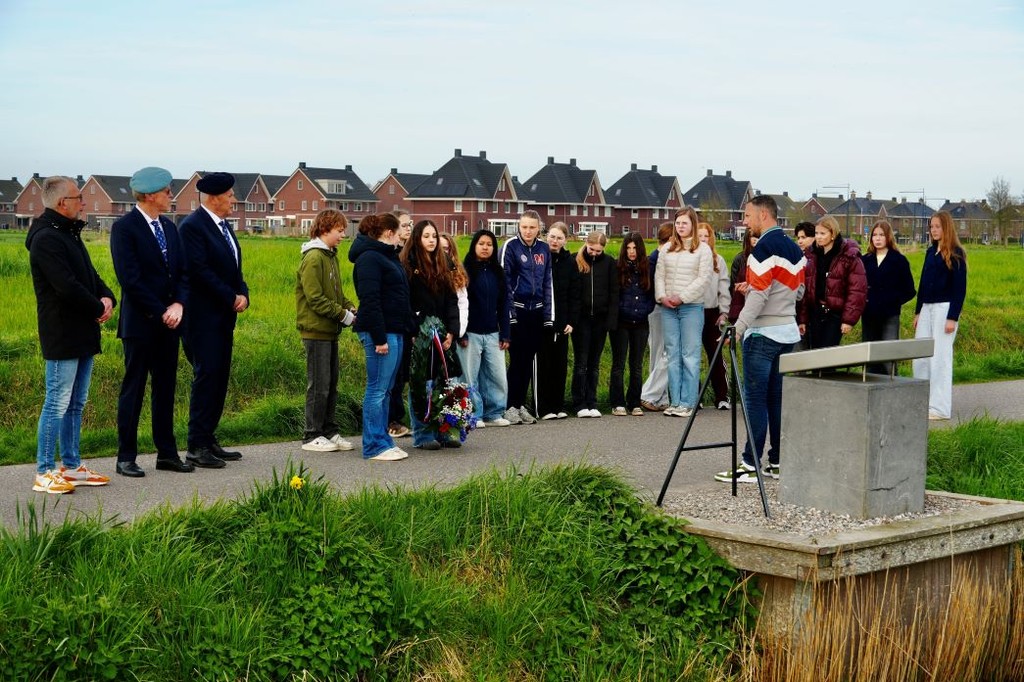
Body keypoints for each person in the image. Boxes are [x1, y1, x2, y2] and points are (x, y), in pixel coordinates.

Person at [26, 176, 115, 493]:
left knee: (76, 404)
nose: (84, 202)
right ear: (62, 203)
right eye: (79, 197)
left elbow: (91, 276)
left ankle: (72, 466)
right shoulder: (46, 239)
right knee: (57, 403)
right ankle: (44, 471)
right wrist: (97, 307)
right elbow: (65, 286)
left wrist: (107, 298)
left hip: (83, 332)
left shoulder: (69, 234)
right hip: (62, 332)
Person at [715, 195, 805, 484]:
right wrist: (753, 287)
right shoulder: (795, 249)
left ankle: (749, 464)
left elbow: (762, 296)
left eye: (748, 216)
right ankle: (777, 462)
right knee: (776, 399)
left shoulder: (762, 249)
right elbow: (798, 292)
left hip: (763, 334)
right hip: (787, 332)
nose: (745, 221)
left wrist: (738, 327)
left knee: (755, 400)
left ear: (764, 216)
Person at [109, 167, 191, 477]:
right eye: (167, 191)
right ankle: (125, 456)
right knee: (134, 389)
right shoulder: (125, 229)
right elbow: (130, 280)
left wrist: (179, 303)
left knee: (166, 388)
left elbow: (183, 272)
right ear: (149, 195)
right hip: (142, 323)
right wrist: (162, 311)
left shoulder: (170, 228)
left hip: (170, 322)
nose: (171, 195)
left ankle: (167, 453)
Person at [179, 172, 249, 469]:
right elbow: (198, 270)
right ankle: (196, 445)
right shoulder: (193, 226)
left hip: (223, 318)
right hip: (202, 317)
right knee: (206, 377)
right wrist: (229, 296)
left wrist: (243, 292)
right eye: (230, 195)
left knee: (219, 378)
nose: (234, 199)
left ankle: (209, 437)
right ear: (214, 197)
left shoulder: (224, 228)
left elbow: (233, 268)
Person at [350, 212, 416, 460]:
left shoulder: (389, 257)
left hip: (395, 330)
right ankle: (373, 445)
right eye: (400, 231)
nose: (402, 235)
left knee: (387, 389)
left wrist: (409, 329)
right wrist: (379, 338)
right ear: (389, 232)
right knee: (377, 389)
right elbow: (371, 300)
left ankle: (384, 440)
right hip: (380, 332)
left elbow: (401, 297)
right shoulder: (369, 258)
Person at [295, 209, 358, 452]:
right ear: (324, 229)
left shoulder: (330, 256)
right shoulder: (313, 258)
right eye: (339, 230)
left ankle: (329, 431)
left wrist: (350, 307)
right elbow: (315, 298)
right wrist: (344, 316)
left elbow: (336, 294)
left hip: (330, 331)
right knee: (318, 384)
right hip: (315, 330)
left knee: (331, 384)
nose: (343, 235)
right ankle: (311, 435)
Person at [401, 220, 462, 450]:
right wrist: (415, 330)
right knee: (421, 384)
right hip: (420, 334)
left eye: (434, 236)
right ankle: (422, 433)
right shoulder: (407, 265)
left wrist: (452, 332)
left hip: (443, 333)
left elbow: (452, 301)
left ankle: (444, 430)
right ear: (417, 238)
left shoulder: (444, 263)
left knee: (444, 383)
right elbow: (405, 302)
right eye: (426, 236)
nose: (431, 240)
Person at [654, 207, 712, 418]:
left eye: (684, 223)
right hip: (668, 307)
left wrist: (682, 297)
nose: (680, 227)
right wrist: (662, 296)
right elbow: (659, 275)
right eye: (678, 223)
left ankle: (688, 402)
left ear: (693, 225)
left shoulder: (702, 250)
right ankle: (675, 401)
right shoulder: (667, 248)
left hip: (691, 307)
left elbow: (703, 279)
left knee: (690, 354)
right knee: (673, 354)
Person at [913, 210, 967, 421]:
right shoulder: (930, 252)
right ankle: (922, 402)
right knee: (922, 356)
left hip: (945, 309)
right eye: (932, 227)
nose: (934, 230)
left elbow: (959, 288)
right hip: (927, 307)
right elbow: (923, 283)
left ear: (947, 228)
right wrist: (918, 311)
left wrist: (952, 317)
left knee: (940, 358)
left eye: (938, 227)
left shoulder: (956, 253)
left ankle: (940, 408)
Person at [500, 210, 553, 425]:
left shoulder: (544, 249)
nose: (528, 231)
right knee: (517, 360)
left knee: (528, 360)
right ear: (518, 227)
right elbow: (505, 284)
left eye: (532, 227)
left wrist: (548, 316)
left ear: (539, 227)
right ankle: (509, 406)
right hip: (518, 311)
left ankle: (520, 404)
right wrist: (510, 315)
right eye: (524, 227)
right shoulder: (510, 247)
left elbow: (547, 283)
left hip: (536, 311)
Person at [457, 229, 512, 427]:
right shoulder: (465, 270)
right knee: (469, 376)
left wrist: (505, 333)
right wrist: (460, 333)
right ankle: (474, 414)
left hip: (493, 332)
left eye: (489, 244)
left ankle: (495, 412)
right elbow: (460, 304)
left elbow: (504, 303)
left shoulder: (499, 272)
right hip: (470, 333)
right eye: (481, 243)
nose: (485, 247)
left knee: (497, 375)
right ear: (474, 245)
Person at [797, 216, 867, 350]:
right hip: (815, 313)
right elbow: (807, 290)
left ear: (833, 234)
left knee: (827, 356)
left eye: (823, 233)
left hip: (834, 315)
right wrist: (803, 319)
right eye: (816, 233)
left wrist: (848, 319)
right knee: (814, 356)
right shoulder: (811, 256)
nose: (818, 237)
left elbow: (857, 290)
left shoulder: (848, 256)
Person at [570, 231, 618, 418]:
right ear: (586, 244)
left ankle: (592, 401)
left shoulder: (609, 263)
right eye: (592, 249)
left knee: (594, 364)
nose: (594, 253)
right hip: (581, 321)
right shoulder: (576, 260)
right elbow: (572, 292)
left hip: (601, 320)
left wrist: (610, 321)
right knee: (581, 362)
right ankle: (579, 402)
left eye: (599, 251)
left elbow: (614, 293)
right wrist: (572, 319)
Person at [861, 220, 916, 375]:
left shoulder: (899, 261)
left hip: (889, 315)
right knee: (869, 356)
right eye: (875, 235)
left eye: (881, 235)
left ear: (888, 237)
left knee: (888, 356)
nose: (877, 238)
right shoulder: (865, 260)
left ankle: (893, 390)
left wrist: (892, 301)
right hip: (869, 315)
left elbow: (909, 290)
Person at [535, 222, 578, 420]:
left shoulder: (570, 262)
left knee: (560, 365)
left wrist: (571, 320)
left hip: (562, 321)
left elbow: (573, 293)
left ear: (565, 241)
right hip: (543, 320)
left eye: (559, 238)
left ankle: (558, 405)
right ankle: (543, 408)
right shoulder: (540, 258)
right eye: (552, 236)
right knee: (545, 364)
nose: (555, 241)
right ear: (546, 237)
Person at [609, 232, 655, 416]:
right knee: (618, 364)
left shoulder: (648, 268)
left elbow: (651, 295)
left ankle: (634, 402)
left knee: (636, 365)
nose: (631, 251)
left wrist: (645, 310)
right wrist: (621, 310)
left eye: (635, 248)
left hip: (641, 323)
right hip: (621, 322)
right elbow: (614, 294)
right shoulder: (617, 267)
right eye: (628, 248)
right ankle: (617, 402)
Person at [386, 208, 415, 439]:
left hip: (408, 321)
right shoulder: (392, 255)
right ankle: (391, 420)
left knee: (404, 374)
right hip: (393, 322)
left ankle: (400, 416)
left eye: (410, 225)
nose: (408, 229)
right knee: (393, 375)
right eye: (404, 225)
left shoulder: (411, 253)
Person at [640, 222, 674, 412]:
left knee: (658, 353)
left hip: (655, 310)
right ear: (670, 239)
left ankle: (659, 397)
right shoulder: (658, 259)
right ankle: (649, 394)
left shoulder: (653, 257)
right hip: (658, 309)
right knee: (667, 352)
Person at [697, 222, 730, 409]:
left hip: (712, 313)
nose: (703, 239)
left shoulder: (719, 261)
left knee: (716, 355)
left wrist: (724, 312)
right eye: (699, 236)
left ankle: (722, 397)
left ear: (711, 239)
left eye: (706, 236)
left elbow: (724, 288)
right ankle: (695, 396)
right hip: (693, 312)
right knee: (693, 356)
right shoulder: (690, 259)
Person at [440, 232, 469, 339]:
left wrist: (457, 331)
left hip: (451, 332)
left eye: (446, 249)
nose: (442, 252)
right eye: (439, 249)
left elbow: (462, 303)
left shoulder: (457, 274)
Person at [728, 229, 758, 324]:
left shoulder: (767, 258)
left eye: (758, 237)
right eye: (752, 236)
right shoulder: (740, 258)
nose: (755, 240)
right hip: (741, 302)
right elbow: (734, 282)